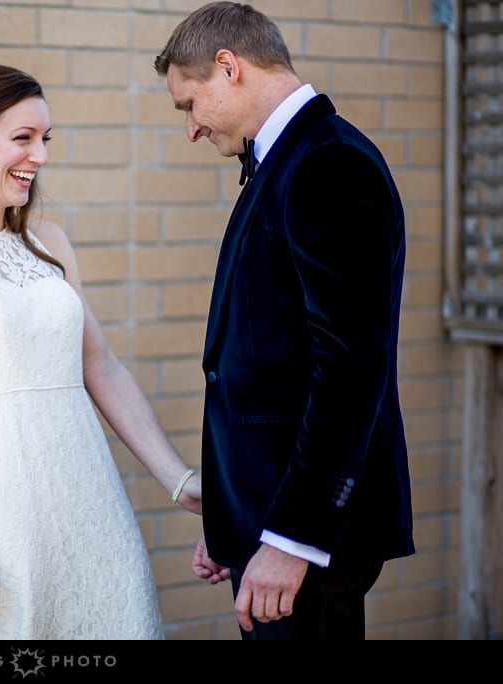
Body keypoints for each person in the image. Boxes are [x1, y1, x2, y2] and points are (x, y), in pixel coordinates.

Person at [0, 63, 201, 640]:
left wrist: (179, 479)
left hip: (90, 492)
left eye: (44, 139)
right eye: (22, 139)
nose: (40, 156)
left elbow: (101, 368)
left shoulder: (48, 243)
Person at [154, 2, 415, 640]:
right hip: (265, 516)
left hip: (307, 539)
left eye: (189, 104)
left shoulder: (329, 164)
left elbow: (350, 370)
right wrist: (232, 522)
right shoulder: (286, 161)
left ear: (228, 67)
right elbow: (269, 363)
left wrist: (292, 540)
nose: (190, 128)